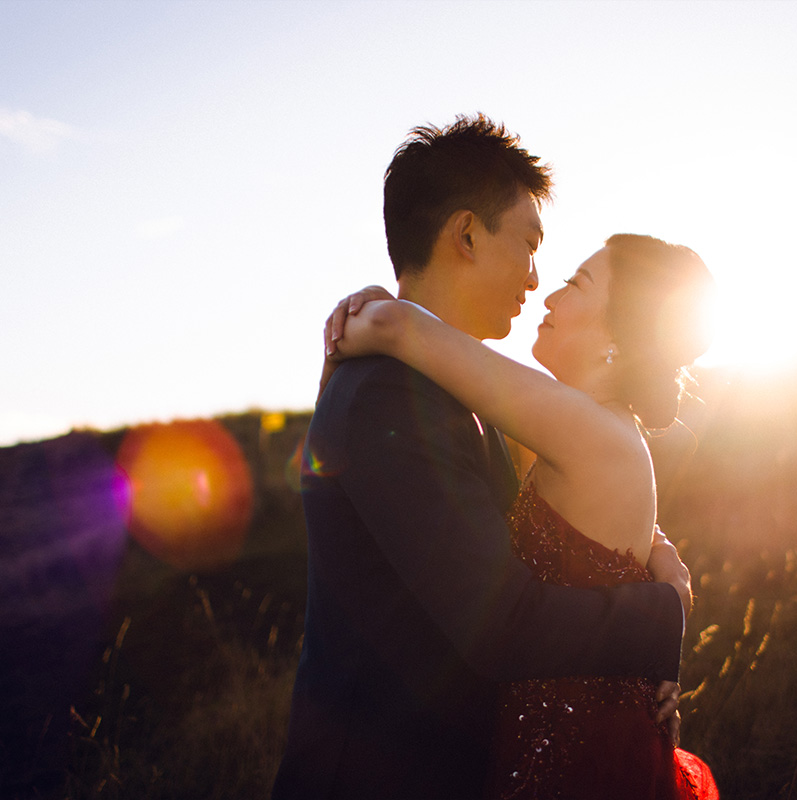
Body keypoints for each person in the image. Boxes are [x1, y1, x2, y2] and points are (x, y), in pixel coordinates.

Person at [271, 116, 690, 800]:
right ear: (466, 235)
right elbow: (502, 627)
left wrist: (652, 549)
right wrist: (658, 615)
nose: (537, 279)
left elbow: (564, 490)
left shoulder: (460, 392)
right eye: (529, 245)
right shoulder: (388, 400)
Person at [324, 233, 719, 798]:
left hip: (574, 755)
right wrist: (663, 565)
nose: (550, 296)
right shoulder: (578, 425)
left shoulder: (592, 432)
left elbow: (396, 331)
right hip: (545, 736)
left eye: (576, 284)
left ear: (619, 336)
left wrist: (364, 315)